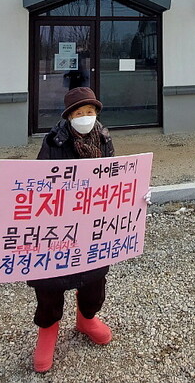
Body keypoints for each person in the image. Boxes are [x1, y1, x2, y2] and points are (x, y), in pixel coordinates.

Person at [28, 86, 115, 373]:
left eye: (90, 112)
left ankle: (87, 317)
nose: (86, 117)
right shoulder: (54, 140)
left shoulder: (103, 137)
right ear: (69, 117)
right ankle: (48, 329)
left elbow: (116, 173)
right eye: (80, 113)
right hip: (58, 223)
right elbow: (39, 181)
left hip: (94, 221)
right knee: (50, 279)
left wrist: (137, 195)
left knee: (95, 274)